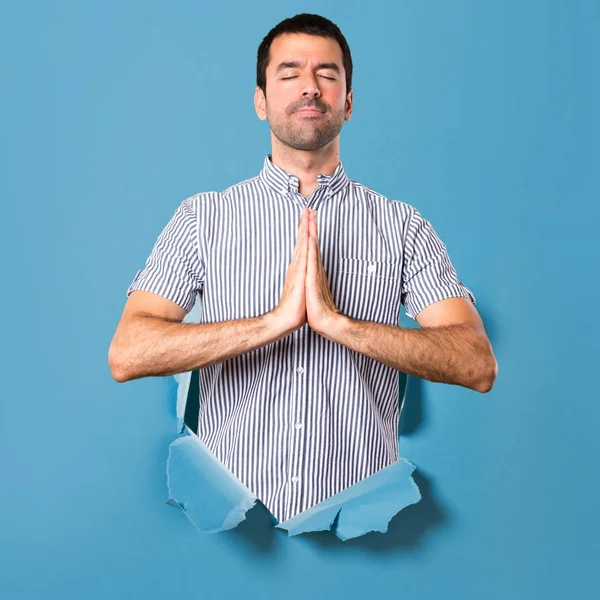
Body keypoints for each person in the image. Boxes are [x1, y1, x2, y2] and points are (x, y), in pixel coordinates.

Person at [108, 13, 497, 524]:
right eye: (289, 73)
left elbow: (477, 364)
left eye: (328, 75)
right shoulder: (202, 218)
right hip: (239, 530)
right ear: (261, 101)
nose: (310, 88)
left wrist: (339, 324)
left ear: (349, 103)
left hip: (357, 523)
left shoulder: (402, 225)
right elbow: (127, 353)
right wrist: (273, 323)